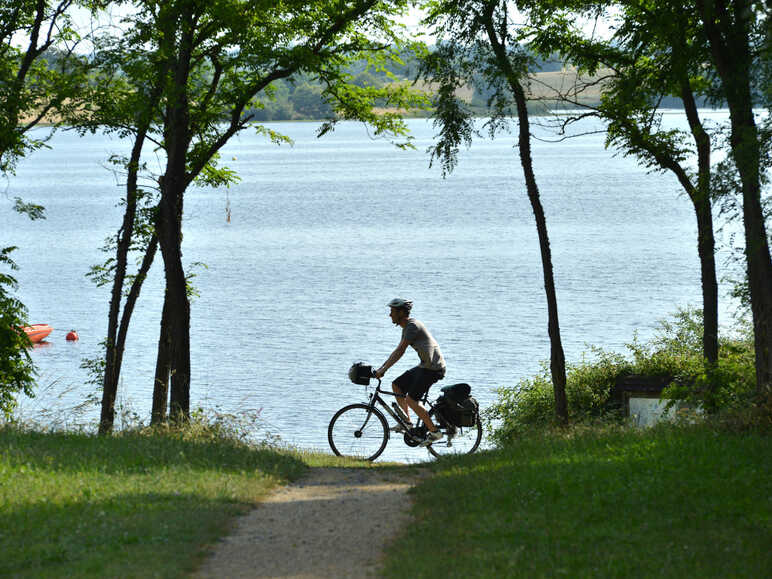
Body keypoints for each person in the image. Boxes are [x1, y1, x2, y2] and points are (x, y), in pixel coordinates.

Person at [374, 298, 446, 446]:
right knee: (397, 385)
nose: (390, 315)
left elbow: (400, 351)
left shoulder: (412, 326)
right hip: (425, 366)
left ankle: (434, 432)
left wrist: (383, 370)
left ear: (401, 312)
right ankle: (407, 422)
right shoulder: (407, 327)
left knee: (411, 400)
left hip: (433, 369)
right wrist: (382, 368)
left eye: (392, 312)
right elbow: (397, 350)